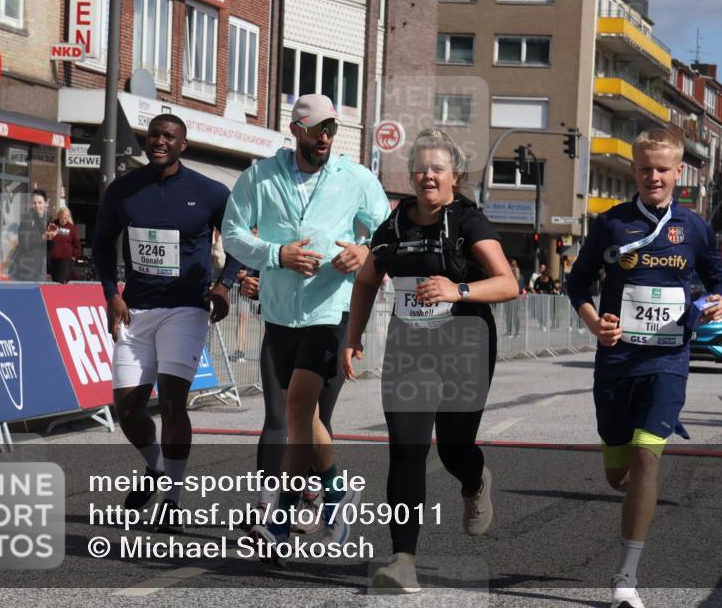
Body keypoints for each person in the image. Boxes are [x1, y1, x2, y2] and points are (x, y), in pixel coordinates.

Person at [343, 129, 518, 592]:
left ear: (454, 176)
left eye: (437, 168)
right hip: (410, 347)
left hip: (466, 344)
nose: (426, 176)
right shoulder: (397, 222)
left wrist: (456, 289)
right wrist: (352, 335)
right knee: (406, 450)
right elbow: (366, 280)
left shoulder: (467, 221)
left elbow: (507, 283)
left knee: (453, 447)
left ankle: (474, 478)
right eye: (420, 167)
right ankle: (403, 560)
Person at [565, 126, 722, 608]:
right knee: (619, 474)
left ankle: (625, 580)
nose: (653, 177)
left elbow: (721, 279)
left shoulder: (694, 227)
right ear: (634, 170)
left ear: (679, 172)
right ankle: (628, 502)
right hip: (616, 362)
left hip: (668, 360)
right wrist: (596, 325)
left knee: (646, 455)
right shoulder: (612, 223)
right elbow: (577, 284)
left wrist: (717, 300)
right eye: (645, 169)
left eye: (663, 169)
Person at [223, 94, 390, 562]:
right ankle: (336, 493)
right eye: (317, 130)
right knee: (305, 418)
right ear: (296, 129)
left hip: (330, 308)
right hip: (279, 312)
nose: (325, 138)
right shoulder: (259, 176)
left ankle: (280, 517)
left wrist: (363, 252)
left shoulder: (354, 177)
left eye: (331, 130)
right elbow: (233, 232)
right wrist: (277, 255)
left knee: (297, 407)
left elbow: (386, 230)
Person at [93, 113, 243, 532]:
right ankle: (158, 468)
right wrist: (111, 293)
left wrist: (223, 285)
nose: (160, 142)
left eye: (169, 137)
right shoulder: (123, 190)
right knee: (126, 409)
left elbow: (240, 242)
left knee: (174, 400)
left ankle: (172, 500)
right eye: (154, 135)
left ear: (183, 145)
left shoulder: (211, 192)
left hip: (186, 308)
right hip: (136, 310)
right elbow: (102, 244)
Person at [11, 188, 55, 281]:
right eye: (34, 203)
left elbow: (50, 248)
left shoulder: (48, 220)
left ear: (46, 203)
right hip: (27, 267)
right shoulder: (27, 219)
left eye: (40, 202)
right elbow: (24, 244)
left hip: (41, 268)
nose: (37, 206)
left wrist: (51, 237)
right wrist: (42, 238)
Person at [48, 206, 82, 284]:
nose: (64, 219)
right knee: (54, 281)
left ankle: (59, 295)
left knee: (60, 280)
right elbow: (48, 239)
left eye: (66, 217)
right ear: (59, 215)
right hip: (53, 259)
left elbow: (77, 244)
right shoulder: (53, 225)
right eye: (63, 217)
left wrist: (74, 257)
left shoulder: (72, 228)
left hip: (66, 259)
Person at [506, 259, 524, 336]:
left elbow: (520, 288)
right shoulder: (509, 275)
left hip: (515, 298)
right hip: (510, 298)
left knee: (514, 315)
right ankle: (510, 331)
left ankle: (515, 332)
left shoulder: (517, 275)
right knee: (510, 315)